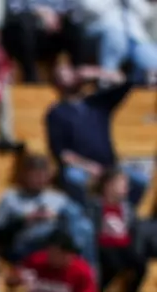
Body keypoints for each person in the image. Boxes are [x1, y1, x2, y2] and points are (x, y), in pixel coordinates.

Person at [47, 62, 150, 209]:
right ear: (56, 84)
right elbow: (62, 153)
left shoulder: (97, 102)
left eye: (71, 72)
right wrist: (89, 167)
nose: (71, 76)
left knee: (140, 180)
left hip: (110, 166)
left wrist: (97, 72)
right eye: (64, 75)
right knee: (73, 178)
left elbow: (127, 82)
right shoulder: (56, 113)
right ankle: (90, 221)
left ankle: (123, 218)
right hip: (82, 168)